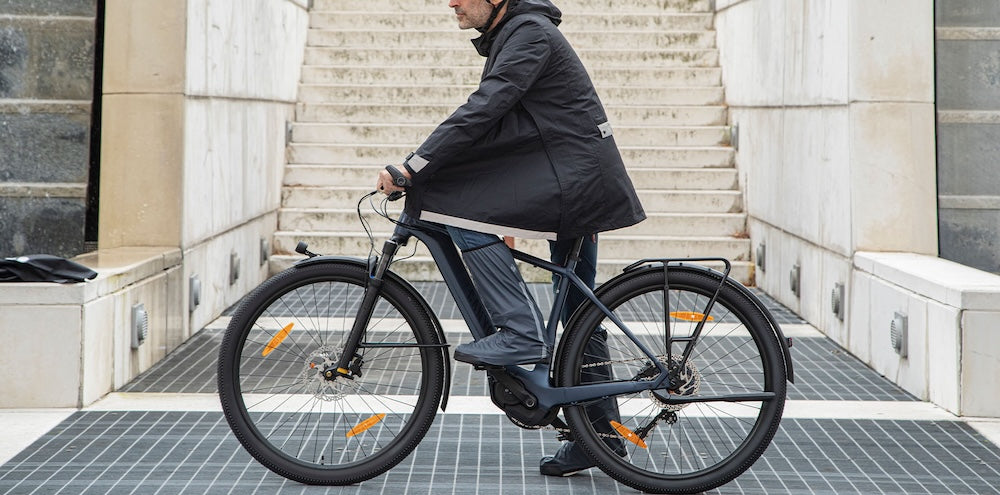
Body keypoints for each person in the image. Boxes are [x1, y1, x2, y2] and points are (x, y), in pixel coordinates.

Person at [376, 0, 644, 476]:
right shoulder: (518, 33)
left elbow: (485, 108)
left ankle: (520, 333)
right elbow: (499, 123)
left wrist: (414, 167)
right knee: (579, 313)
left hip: (572, 181)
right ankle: (600, 438)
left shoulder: (529, 33)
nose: (452, 2)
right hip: (573, 176)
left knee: (458, 209)